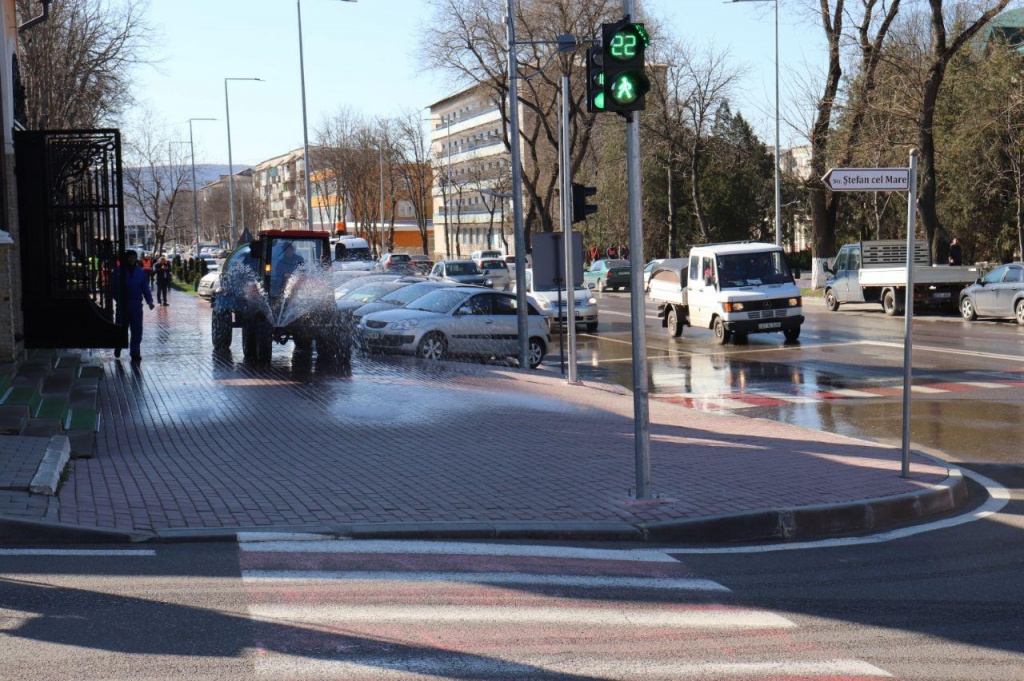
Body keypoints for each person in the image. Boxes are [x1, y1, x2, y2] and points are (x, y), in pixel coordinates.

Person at [113, 249, 155, 362]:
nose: (132, 259)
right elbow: (113, 287)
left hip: (136, 305)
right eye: (130, 257)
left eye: (134, 257)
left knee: (137, 330)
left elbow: (145, 288)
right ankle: (118, 346)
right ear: (126, 258)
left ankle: (135, 353)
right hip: (123, 306)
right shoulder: (119, 271)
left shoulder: (140, 272)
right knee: (121, 328)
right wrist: (118, 299)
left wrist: (150, 301)